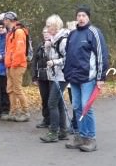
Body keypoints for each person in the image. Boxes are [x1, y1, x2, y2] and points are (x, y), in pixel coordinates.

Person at [64, 6, 109, 152]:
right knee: (76, 106)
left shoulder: (94, 32)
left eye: (83, 15)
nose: (81, 18)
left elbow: (102, 54)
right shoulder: (72, 34)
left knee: (86, 107)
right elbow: (68, 55)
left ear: (88, 17)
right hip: (74, 78)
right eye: (78, 15)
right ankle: (80, 137)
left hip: (89, 77)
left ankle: (90, 138)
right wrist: (67, 73)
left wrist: (101, 76)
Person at [40, 14, 70, 142]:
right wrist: (47, 48)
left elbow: (67, 58)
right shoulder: (53, 39)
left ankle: (53, 132)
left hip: (62, 75)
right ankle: (63, 131)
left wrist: (55, 62)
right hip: (53, 75)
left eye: (49, 26)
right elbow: (49, 56)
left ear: (55, 26)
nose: (47, 28)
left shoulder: (62, 40)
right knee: (58, 103)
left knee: (51, 102)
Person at [0, 11, 30, 122]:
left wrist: (13, 64)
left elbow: (20, 50)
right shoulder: (11, 32)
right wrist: (8, 64)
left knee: (17, 89)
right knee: (10, 89)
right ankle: (12, 112)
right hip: (11, 65)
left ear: (9, 20)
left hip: (17, 65)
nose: (3, 21)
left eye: (4, 19)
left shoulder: (19, 32)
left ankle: (25, 112)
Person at [32, 27, 51, 128]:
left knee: (52, 99)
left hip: (52, 76)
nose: (46, 34)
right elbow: (35, 61)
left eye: (47, 32)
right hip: (41, 76)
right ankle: (46, 119)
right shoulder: (40, 46)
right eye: (44, 32)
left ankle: (55, 121)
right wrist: (34, 77)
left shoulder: (54, 45)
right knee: (44, 98)